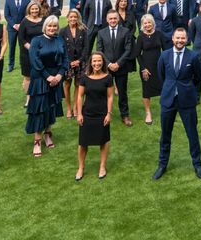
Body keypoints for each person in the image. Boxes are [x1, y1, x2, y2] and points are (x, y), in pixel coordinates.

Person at [153, 28, 201, 180]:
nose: (180, 41)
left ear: (187, 39)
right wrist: (170, 87)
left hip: (187, 100)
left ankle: (197, 164)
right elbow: (161, 75)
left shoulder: (193, 56)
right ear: (172, 38)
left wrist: (187, 88)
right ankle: (162, 164)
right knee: (165, 134)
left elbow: (198, 77)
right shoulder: (165, 55)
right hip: (168, 99)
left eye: (183, 38)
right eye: (177, 38)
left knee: (192, 134)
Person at [26, 16, 68, 157]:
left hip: (56, 79)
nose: (52, 28)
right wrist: (48, 76)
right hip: (40, 79)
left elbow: (65, 59)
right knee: (40, 110)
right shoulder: (36, 40)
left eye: (54, 26)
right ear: (45, 27)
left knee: (51, 108)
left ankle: (48, 134)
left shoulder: (59, 39)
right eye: (49, 26)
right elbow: (34, 60)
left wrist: (60, 75)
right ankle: (37, 141)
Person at [75, 52, 114, 181]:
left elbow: (110, 96)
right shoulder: (84, 77)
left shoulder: (108, 78)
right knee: (83, 143)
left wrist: (109, 113)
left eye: (99, 61)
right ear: (90, 63)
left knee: (103, 141)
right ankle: (81, 168)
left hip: (102, 115)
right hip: (87, 115)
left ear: (103, 62)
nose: (97, 63)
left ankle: (102, 166)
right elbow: (80, 96)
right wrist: (79, 114)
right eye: (94, 61)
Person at [95, 10, 135, 126]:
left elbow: (128, 49)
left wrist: (118, 63)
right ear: (107, 20)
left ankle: (125, 115)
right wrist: (108, 64)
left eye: (115, 18)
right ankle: (103, 114)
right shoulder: (101, 32)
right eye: (110, 19)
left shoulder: (125, 31)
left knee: (122, 92)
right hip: (106, 68)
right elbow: (99, 50)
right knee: (103, 92)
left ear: (118, 19)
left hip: (121, 67)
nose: (113, 20)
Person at [59, 9, 88, 118]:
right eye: (71, 17)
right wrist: (69, 62)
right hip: (68, 62)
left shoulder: (83, 30)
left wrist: (79, 60)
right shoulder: (62, 31)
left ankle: (75, 107)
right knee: (67, 84)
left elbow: (86, 47)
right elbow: (61, 48)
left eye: (75, 17)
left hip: (80, 62)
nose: (73, 19)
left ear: (78, 18)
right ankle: (68, 108)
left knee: (78, 85)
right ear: (67, 18)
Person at [18, 1, 45, 103]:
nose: (34, 11)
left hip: (42, 53)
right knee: (28, 77)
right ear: (29, 10)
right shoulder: (24, 21)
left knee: (41, 75)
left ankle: (41, 96)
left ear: (39, 9)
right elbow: (21, 38)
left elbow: (47, 34)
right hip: (27, 54)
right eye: (32, 9)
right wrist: (31, 48)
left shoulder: (43, 20)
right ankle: (29, 99)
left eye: (36, 9)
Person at [3, 0, 27, 73]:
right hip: (11, 28)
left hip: (23, 27)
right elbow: (7, 15)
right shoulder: (8, 1)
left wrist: (21, 24)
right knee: (12, 47)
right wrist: (14, 25)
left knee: (23, 46)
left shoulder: (27, 0)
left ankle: (23, 63)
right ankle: (10, 65)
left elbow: (27, 14)